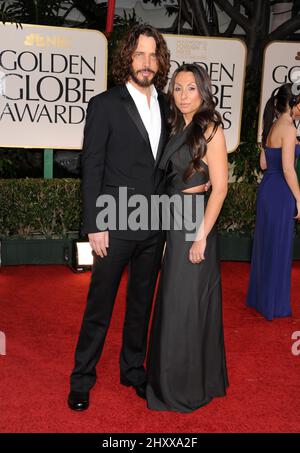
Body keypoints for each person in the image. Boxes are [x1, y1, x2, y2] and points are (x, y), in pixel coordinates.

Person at [68, 24, 170, 411]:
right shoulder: (105, 104)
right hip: (113, 223)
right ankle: (82, 378)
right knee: (100, 305)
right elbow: (91, 167)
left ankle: (133, 370)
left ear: (159, 61)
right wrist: (94, 224)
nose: (146, 62)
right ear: (127, 57)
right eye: (139, 54)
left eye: (152, 55)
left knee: (141, 304)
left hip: (154, 223)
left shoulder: (165, 104)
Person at [146, 63, 229, 413]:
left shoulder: (210, 128)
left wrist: (201, 237)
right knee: (173, 302)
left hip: (195, 225)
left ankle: (188, 383)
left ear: (203, 90)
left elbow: (221, 189)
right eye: (177, 89)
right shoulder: (176, 125)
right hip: (173, 221)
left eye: (190, 88)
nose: (183, 95)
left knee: (188, 305)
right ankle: (169, 377)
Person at [246, 83, 300, 320]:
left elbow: (263, 164)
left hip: (268, 189)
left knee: (267, 245)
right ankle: (273, 303)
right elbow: (288, 169)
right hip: (280, 192)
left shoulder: (274, 124)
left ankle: (261, 297)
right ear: (294, 104)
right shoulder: (288, 128)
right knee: (278, 246)